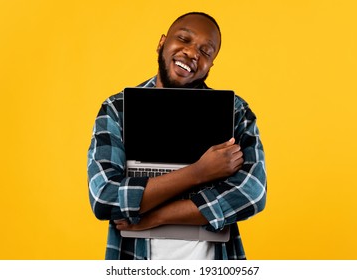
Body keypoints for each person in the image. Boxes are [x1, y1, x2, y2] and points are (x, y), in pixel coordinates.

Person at [87, 12, 266, 260]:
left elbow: (252, 192)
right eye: (184, 39)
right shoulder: (119, 109)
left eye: (206, 51)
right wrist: (199, 173)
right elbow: (104, 197)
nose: (192, 53)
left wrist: (154, 217)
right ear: (162, 43)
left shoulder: (235, 112)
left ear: (211, 64)